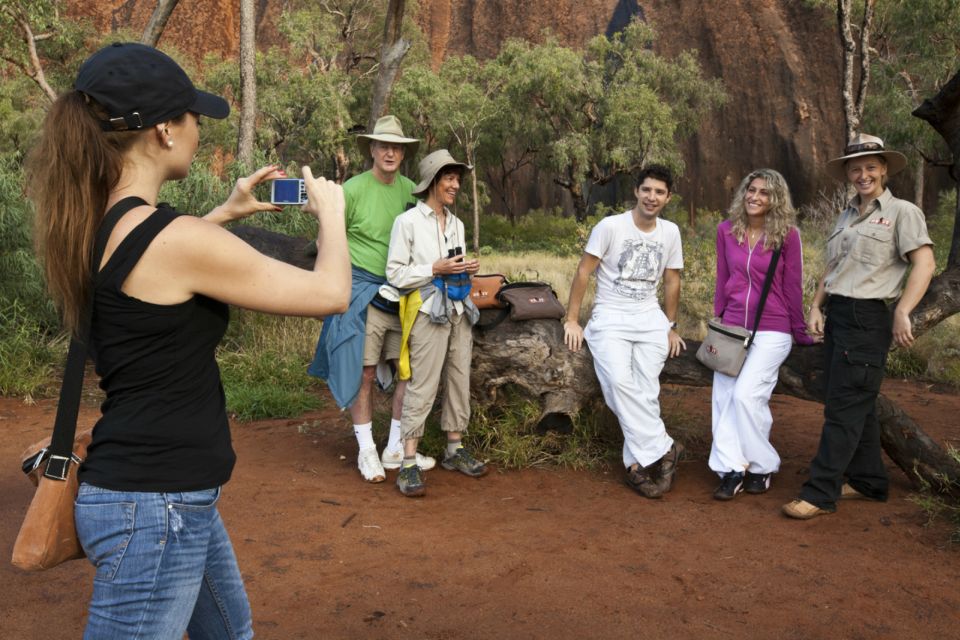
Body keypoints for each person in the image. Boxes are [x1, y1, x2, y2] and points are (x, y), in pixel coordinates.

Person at [27, 42, 349, 638]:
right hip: (157, 505)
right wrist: (333, 214)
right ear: (165, 132)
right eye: (193, 116)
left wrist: (225, 212)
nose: (199, 128)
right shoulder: (171, 238)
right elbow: (329, 294)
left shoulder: (94, 222)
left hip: (165, 494)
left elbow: (154, 268)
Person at [783, 134, 935, 519]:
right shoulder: (846, 215)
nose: (863, 174)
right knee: (851, 404)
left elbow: (925, 263)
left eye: (871, 167)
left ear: (884, 169)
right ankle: (869, 482)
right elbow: (833, 269)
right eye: (856, 168)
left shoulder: (903, 212)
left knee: (844, 409)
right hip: (838, 316)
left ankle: (820, 492)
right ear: (848, 173)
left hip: (869, 319)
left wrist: (902, 310)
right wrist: (817, 306)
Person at [307, 115, 436, 483]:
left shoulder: (412, 191)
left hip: (402, 290)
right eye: (384, 146)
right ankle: (366, 449)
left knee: (405, 371)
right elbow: (326, 240)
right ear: (373, 150)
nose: (390, 152)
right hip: (360, 286)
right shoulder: (352, 190)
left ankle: (395, 446)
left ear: (403, 153)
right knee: (363, 369)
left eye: (397, 147)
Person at [564, 164, 686, 499]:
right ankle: (665, 449)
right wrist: (572, 319)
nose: (652, 197)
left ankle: (635, 467)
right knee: (618, 382)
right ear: (636, 191)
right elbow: (584, 271)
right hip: (610, 317)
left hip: (649, 318)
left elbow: (672, 279)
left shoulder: (670, 232)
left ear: (668, 197)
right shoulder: (610, 227)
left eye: (659, 192)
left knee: (645, 391)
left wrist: (670, 326)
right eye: (647, 190)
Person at [709, 169, 815, 500]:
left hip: (773, 328)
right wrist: (719, 321)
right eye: (751, 190)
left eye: (764, 193)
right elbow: (722, 279)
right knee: (723, 398)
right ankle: (730, 469)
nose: (755, 197)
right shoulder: (726, 231)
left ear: (776, 200)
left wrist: (800, 331)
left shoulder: (788, 235)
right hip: (734, 327)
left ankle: (763, 464)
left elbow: (792, 287)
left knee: (745, 396)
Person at [386, 149, 487, 497]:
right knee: (423, 384)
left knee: (459, 378)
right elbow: (395, 273)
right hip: (428, 312)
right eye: (449, 178)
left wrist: (464, 269)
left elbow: (452, 267)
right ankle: (408, 462)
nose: (456, 184)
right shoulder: (408, 222)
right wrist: (434, 268)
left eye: (458, 179)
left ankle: (454, 449)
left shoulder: (456, 223)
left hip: (459, 311)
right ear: (432, 181)